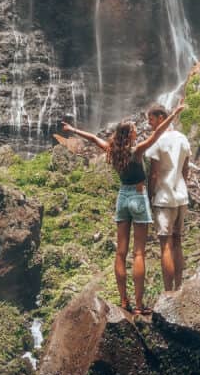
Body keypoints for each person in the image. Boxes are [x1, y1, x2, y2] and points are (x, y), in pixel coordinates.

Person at [61, 102, 183, 317]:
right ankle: (138, 305)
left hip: (122, 198)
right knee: (139, 253)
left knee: (120, 253)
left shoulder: (111, 150)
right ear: (129, 136)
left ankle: (123, 300)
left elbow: (91, 138)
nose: (138, 132)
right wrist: (174, 113)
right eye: (135, 131)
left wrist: (72, 130)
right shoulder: (137, 152)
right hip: (138, 197)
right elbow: (159, 133)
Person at [145, 103, 191, 292]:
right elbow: (186, 169)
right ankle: (179, 288)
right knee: (178, 242)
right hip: (181, 196)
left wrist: (149, 196)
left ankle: (168, 292)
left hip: (164, 199)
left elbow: (154, 174)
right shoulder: (183, 139)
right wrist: (182, 186)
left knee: (165, 246)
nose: (149, 125)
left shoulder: (157, 140)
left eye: (151, 120)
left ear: (161, 118)